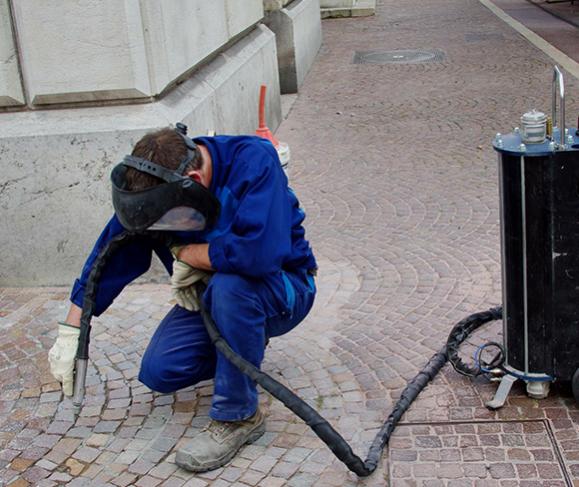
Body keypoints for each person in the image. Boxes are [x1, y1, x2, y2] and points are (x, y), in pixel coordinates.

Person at [48, 127, 317, 472]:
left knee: (231, 287)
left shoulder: (253, 161)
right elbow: (110, 254)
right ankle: (243, 337)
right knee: (162, 370)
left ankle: (238, 417)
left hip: (285, 286)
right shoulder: (156, 186)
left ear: (192, 180)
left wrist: (189, 252)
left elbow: (259, 255)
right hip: (216, 297)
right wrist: (73, 328)